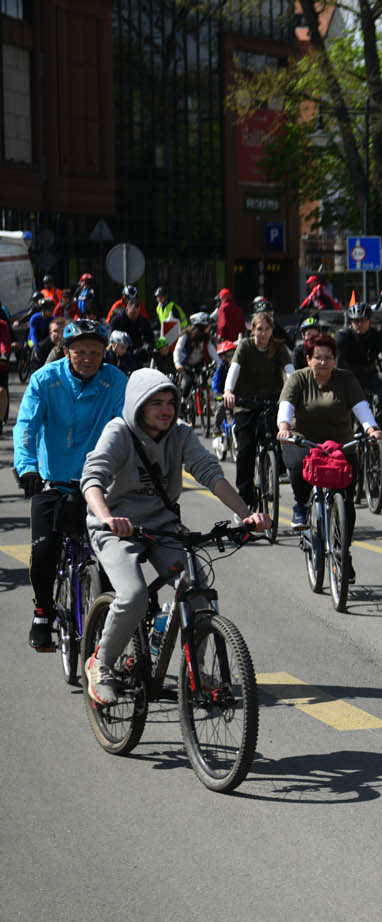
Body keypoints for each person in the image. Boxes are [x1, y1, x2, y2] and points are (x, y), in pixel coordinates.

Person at [78, 369, 268, 704]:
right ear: (138, 405)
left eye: (170, 403)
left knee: (197, 587)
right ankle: (101, 663)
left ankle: (193, 668)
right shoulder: (119, 432)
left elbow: (209, 472)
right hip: (115, 527)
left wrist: (245, 514)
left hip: (161, 525)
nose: (165, 410)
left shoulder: (180, 433)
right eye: (156, 403)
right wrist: (107, 517)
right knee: (134, 594)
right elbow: (92, 478)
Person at [12, 318, 129, 651]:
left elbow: (128, 426)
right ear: (66, 351)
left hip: (99, 484)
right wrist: (27, 467)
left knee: (113, 556)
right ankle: (42, 611)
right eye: (81, 352)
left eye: (96, 352)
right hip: (53, 480)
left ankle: (106, 617)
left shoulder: (116, 380)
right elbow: (27, 426)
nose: (90, 358)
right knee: (45, 549)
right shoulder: (45, 380)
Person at [276, 331, 382, 532]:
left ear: (335, 360)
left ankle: (344, 553)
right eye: (318, 357)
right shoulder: (298, 379)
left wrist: (371, 428)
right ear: (308, 360)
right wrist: (284, 427)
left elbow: (361, 407)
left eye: (328, 358)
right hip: (304, 441)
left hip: (340, 444)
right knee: (299, 466)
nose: (323, 362)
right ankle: (301, 505)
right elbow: (286, 406)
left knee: (346, 499)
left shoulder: (346, 379)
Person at [224, 311, 295, 503]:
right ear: (252, 330)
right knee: (246, 450)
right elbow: (234, 369)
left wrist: (294, 393)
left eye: (267, 329)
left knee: (280, 434)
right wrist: (229, 391)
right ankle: (244, 499)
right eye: (259, 329)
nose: (263, 334)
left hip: (272, 400)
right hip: (246, 403)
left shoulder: (278, 347)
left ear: (272, 330)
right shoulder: (245, 346)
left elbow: (290, 373)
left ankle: (276, 469)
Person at [334, 303, 382, 430]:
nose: (360, 324)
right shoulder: (342, 337)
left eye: (363, 321)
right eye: (356, 321)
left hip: (370, 376)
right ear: (351, 322)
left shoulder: (378, 336)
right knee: (349, 415)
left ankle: (377, 437)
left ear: (369, 321)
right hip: (349, 378)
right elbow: (339, 365)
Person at [171, 315, 217, 394]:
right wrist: (177, 363)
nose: (210, 327)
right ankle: (183, 401)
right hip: (185, 365)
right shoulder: (186, 335)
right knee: (189, 382)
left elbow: (213, 352)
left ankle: (202, 400)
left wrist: (220, 363)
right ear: (201, 326)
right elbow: (177, 350)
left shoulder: (206, 337)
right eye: (208, 325)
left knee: (204, 383)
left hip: (199, 364)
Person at [107, 287, 158, 356]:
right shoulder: (117, 320)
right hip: (121, 353)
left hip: (138, 354)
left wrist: (145, 348)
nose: (135, 316)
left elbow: (149, 339)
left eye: (137, 313)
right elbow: (111, 338)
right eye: (133, 313)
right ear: (127, 309)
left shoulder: (142, 321)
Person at [152, 286, 188, 353]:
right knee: (157, 349)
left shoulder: (172, 306)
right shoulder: (158, 308)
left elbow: (178, 321)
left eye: (160, 296)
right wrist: (150, 328)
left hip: (180, 331)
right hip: (167, 332)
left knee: (176, 350)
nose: (159, 299)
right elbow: (158, 322)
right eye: (157, 297)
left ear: (166, 297)